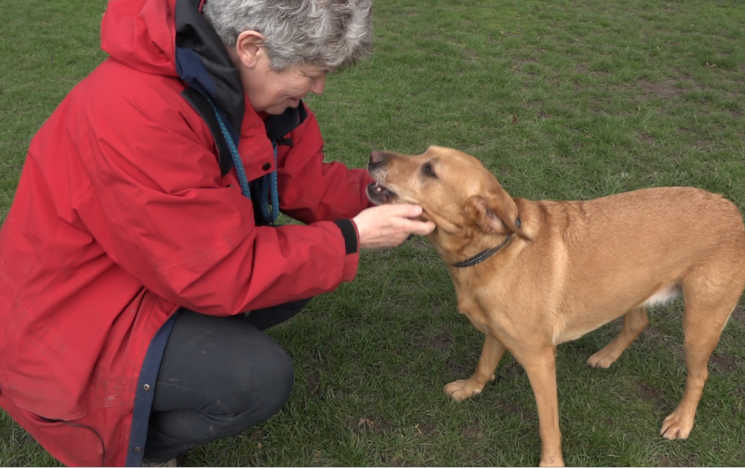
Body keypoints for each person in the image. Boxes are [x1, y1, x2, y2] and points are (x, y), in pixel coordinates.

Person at [0, 0, 435, 465]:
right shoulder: (135, 113)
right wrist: (352, 238)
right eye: (310, 74)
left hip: (148, 275)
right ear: (250, 47)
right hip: (70, 319)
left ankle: (192, 356)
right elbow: (215, 271)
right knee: (256, 379)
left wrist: (377, 195)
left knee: (299, 277)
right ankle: (130, 443)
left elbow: (302, 179)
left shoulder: (237, 85)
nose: (319, 89)